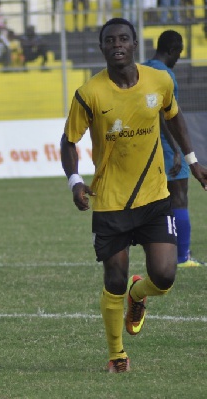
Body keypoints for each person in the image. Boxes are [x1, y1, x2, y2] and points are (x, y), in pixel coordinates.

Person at [60, 18, 207, 374]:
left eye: (123, 38)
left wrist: (193, 161)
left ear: (135, 43)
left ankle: (137, 295)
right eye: (110, 40)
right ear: (102, 48)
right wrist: (76, 181)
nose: (117, 45)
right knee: (113, 279)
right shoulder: (89, 93)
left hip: (155, 197)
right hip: (110, 201)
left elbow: (173, 117)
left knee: (166, 277)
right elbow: (69, 142)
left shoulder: (159, 81)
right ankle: (117, 355)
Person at [143, 30, 203, 267]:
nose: (179, 59)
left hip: (145, 145)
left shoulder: (143, 68)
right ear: (171, 50)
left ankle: (160, 254)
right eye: (179, 53)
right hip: (165, 146)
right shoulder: (165, 74)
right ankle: (182, 258)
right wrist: (177, 150)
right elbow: (164, 114)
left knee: (156, 202)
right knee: (179, 198)